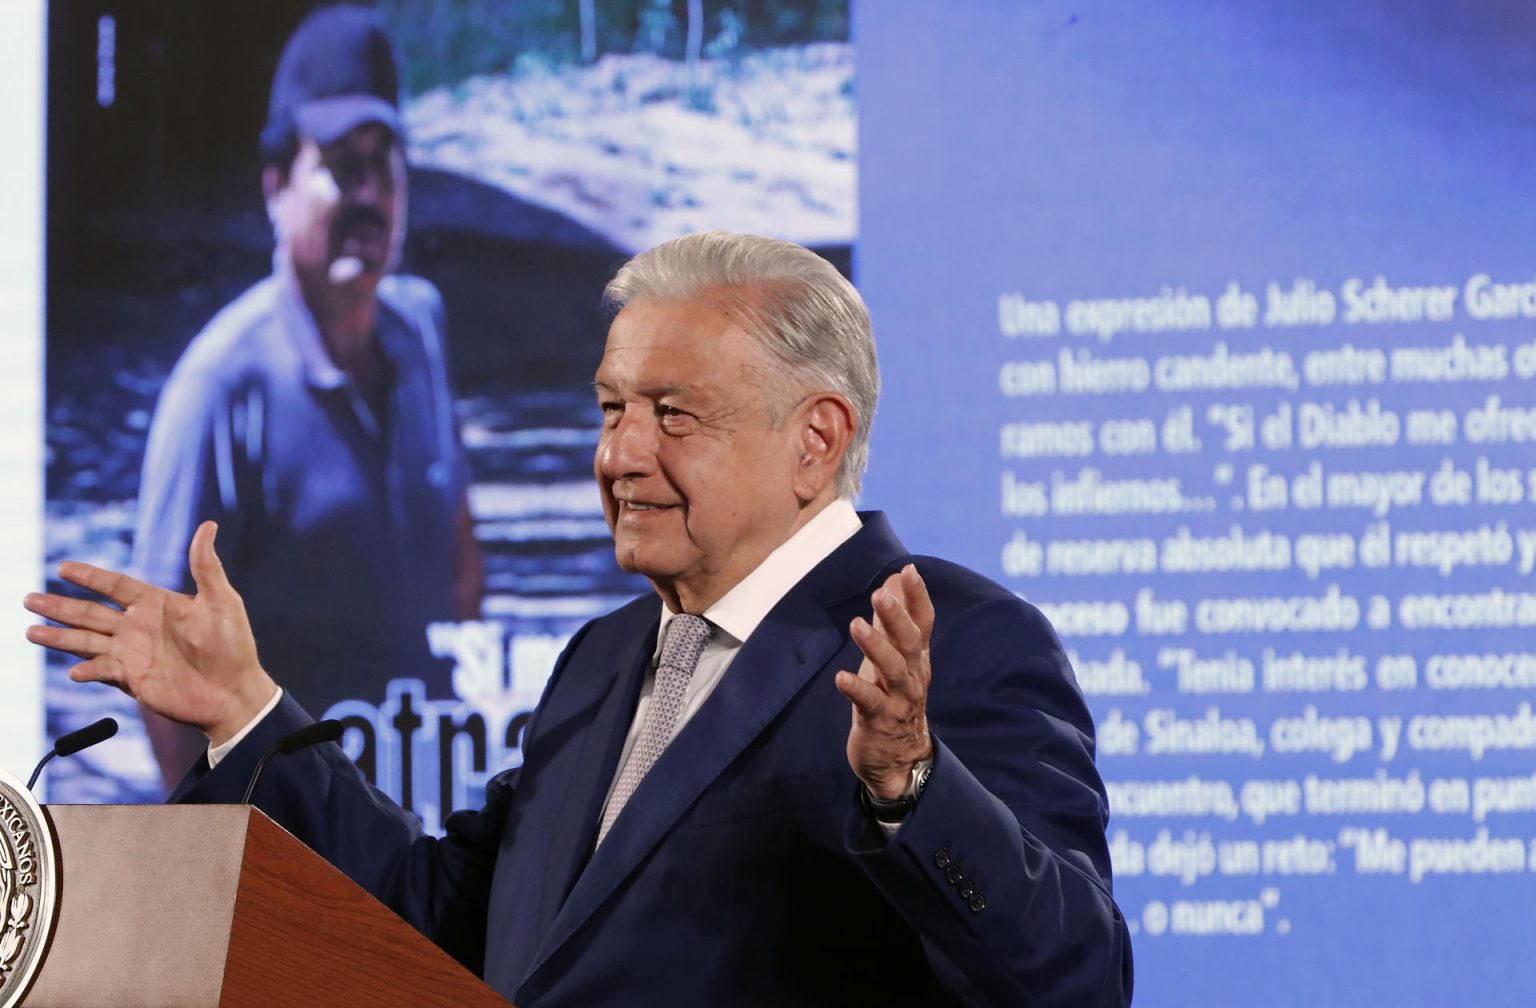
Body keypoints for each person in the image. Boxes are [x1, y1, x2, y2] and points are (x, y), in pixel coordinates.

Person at [29, 232, 1133, 1006]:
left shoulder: (957, 644)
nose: (618, 455)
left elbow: (1075, 979)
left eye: (672, 415)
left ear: (818, 439)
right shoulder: (603, 660)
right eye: (611, 409)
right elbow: (440, 918)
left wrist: (913, 789)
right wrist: (245, 709)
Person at [130, 5, 480, 787]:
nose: (367, 195)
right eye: (339, 165)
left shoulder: (419, 331)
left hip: (416, 798)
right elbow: (160, 649)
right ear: (275, 188)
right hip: (292, 833)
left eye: (381, 165)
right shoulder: (221, 388)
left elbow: (458, 553)